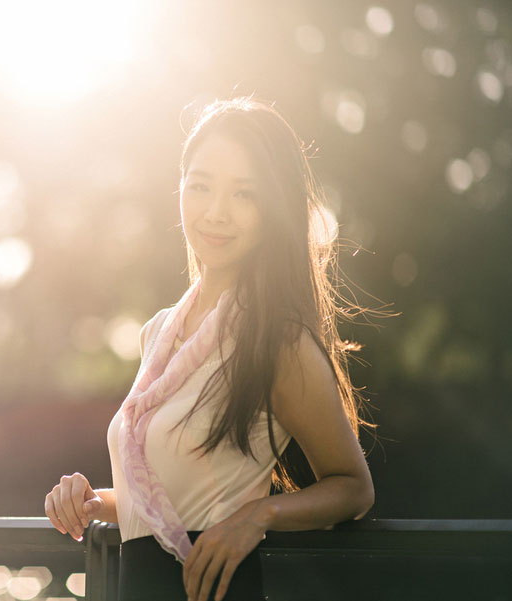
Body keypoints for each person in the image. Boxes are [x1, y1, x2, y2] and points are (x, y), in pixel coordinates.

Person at [44, 96, 377, 601]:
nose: (216, 213)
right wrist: (94, 501)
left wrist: (257, 515)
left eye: (244, 194)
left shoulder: (277, 339)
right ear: (179, 188)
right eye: (200, 186)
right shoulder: (158, 332)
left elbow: (353, 486)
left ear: (275, 208)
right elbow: (172, 498)